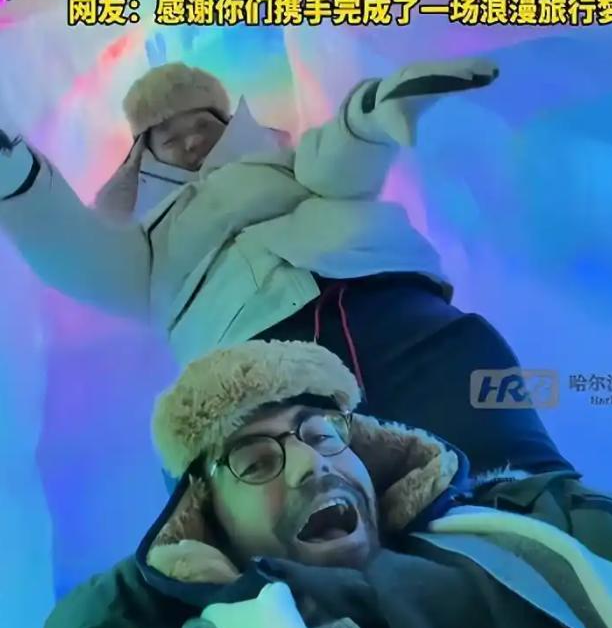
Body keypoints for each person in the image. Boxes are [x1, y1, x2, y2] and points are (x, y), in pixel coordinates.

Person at [2, 340, 612, 628]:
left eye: (322, 432)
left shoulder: (515, 526)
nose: (311, 464)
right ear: (207, 520)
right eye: (256, 459)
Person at [0, 57, 571, 478]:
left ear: (227, 121)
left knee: (496, 435)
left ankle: (560, 522)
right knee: (308, 494)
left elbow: (336, 166)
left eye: (201, 125)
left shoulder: (284, 162)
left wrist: (368, 119)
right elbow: (83, 253)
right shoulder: (149, 237)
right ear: (146, 154)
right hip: (257, 350)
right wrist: (19, 179)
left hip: (387, 298)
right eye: (170, 137)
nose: (191, 141)